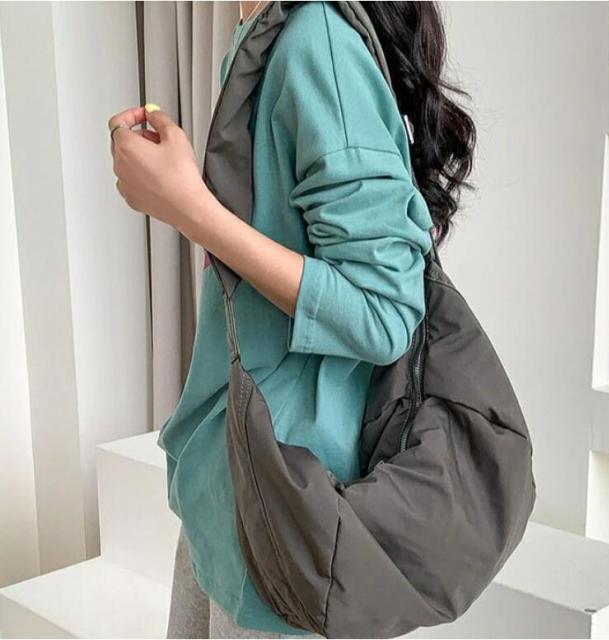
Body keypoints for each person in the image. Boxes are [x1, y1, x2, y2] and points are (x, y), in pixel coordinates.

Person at [107, 1, 475, 637]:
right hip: (235, 490)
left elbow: (385, 311)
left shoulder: (316, 42)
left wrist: (189, 208)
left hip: (288, 516)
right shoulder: (263, 30)